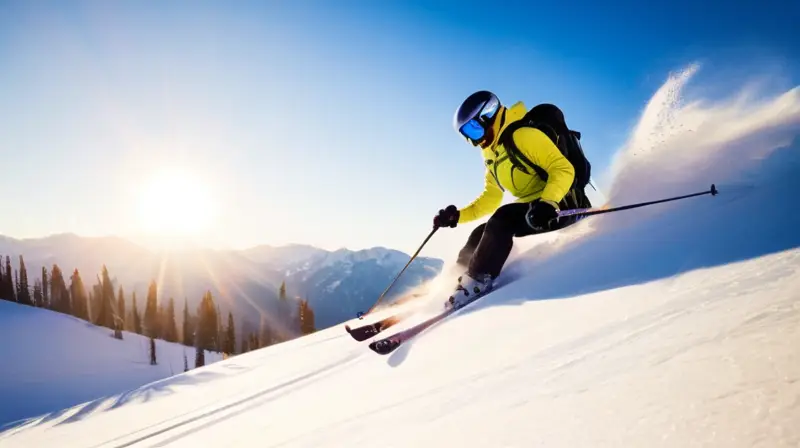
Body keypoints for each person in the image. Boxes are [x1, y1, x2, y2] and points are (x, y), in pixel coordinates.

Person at [434, 90, 593, 308]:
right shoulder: (492, 155)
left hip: (562, 205)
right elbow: (490, 199)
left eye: (474, 128)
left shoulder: (523, 136)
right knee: (482, 232)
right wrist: (456, 217)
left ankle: (476, 282)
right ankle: (456, 279)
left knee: (503, 219)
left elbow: (563, 169)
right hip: (534, 210)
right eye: (467, 134)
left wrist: (549, 202)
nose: (474, 139)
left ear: (488, 116)